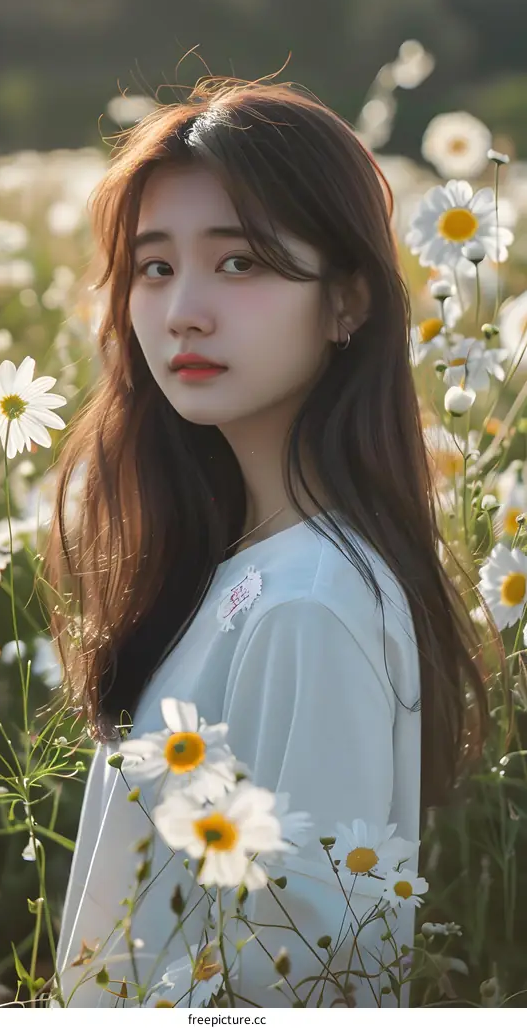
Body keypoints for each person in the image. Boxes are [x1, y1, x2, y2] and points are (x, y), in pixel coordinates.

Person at [43, 76, 492, 1009]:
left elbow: (311, 985)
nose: (183, 312)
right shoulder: (249, 571)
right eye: (155, 268)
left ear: (348, 303)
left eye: (240, 263)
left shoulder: (309, 600)